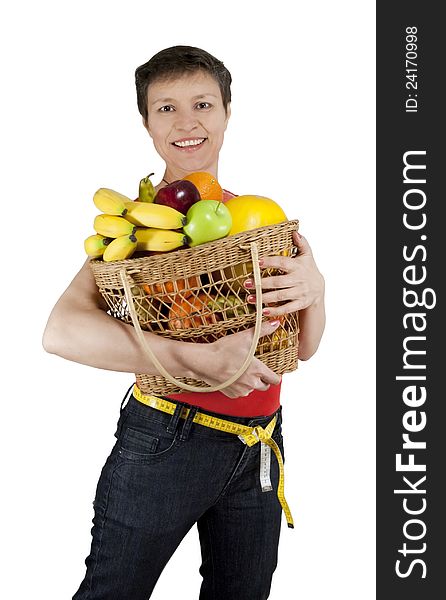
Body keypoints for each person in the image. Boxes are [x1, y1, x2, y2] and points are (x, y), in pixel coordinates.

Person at [43, 45, 325, 600]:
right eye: (165, 108)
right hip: (167, 438)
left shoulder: (259, 217)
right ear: (146, 124)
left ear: (226, 114)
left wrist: (317, 287)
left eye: (203, 103)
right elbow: (60, 331)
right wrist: (194, 358)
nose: (187, 121)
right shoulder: (139, 233)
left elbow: (305, 347)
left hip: (261, 442)